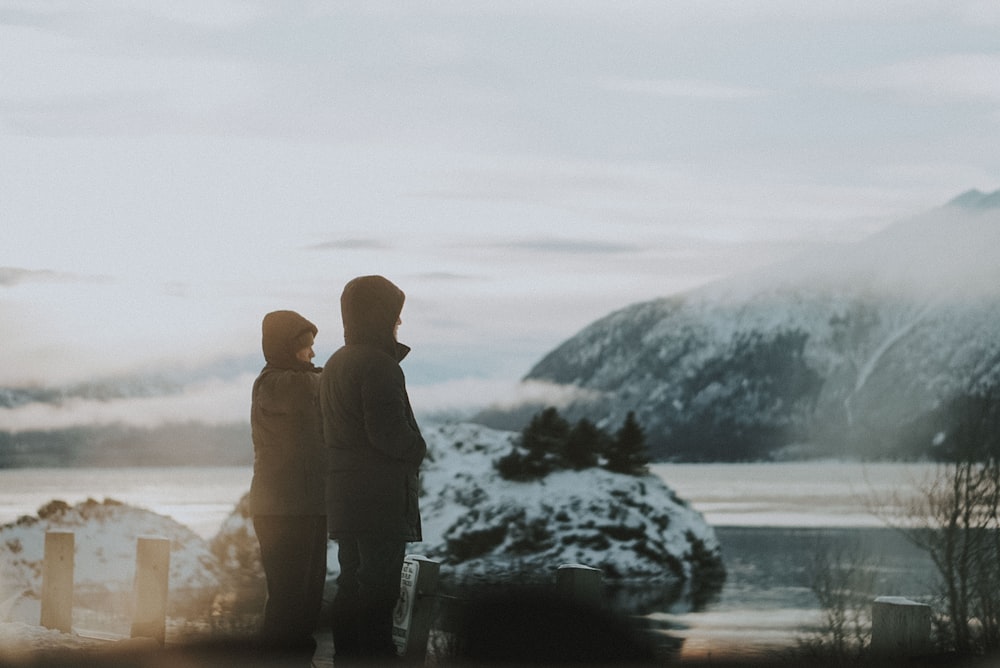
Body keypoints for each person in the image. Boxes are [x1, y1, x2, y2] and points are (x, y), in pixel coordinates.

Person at [320, 275, 427, 663]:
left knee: (351, 581)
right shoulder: (379, 365)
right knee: (380, 586)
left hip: (345, 492)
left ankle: (347, 657)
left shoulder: (336, 362)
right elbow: (386, 432)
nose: (399, 324)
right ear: (379, 315)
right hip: (377, 495)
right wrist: (418, 448)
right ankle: (375, 657)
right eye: (395, 316)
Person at [249, 310, 328, 661]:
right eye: (306, 347)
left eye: (313, 346)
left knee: (307, 601)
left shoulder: (299, 378)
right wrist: (349, 369)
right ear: (283, 348)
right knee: (289, 602)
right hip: (281, 509)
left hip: (307, 504)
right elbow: (309, 387)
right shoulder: (274, 383)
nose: (312, 353)